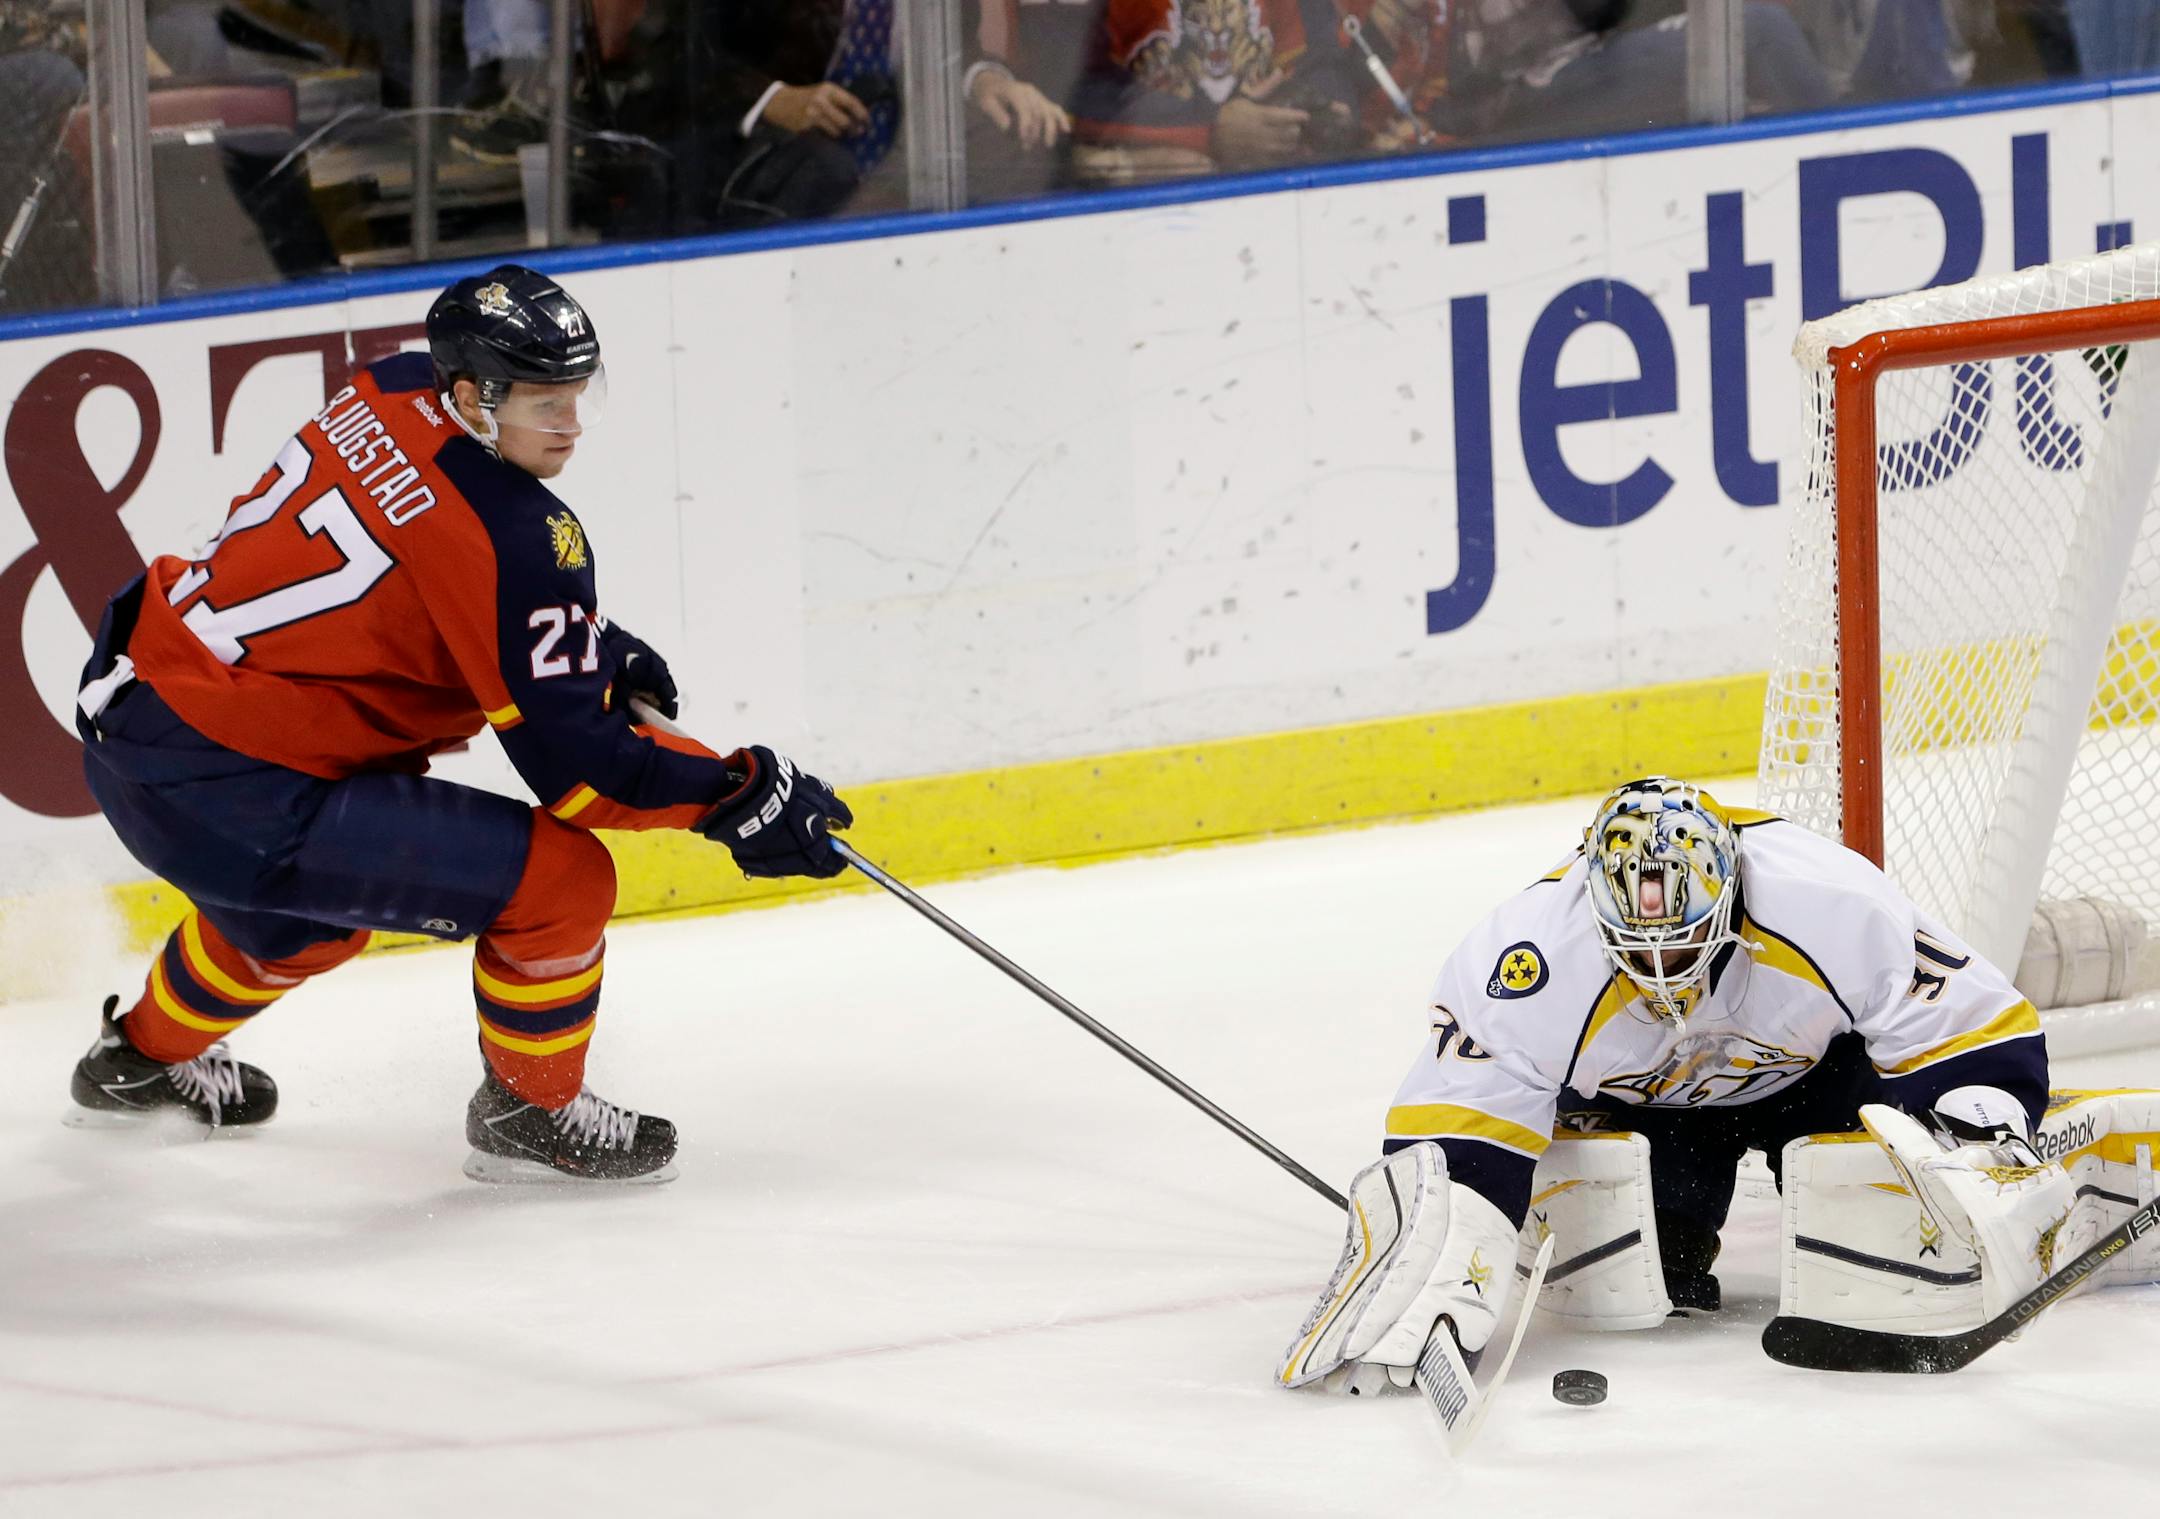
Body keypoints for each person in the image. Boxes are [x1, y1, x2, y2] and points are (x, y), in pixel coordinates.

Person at [67, 264, 854, 1184]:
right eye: (544, 402)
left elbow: (421, 570)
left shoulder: (391, 385)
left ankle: (133, 1063)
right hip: (237, 779)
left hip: (133, 710)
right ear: (475, 396)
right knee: (560, 882)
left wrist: (583, 644)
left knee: (302, 926)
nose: (570, 423)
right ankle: (531, 1109)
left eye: (579, 395)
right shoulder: (520, 533)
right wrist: (737, 795)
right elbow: (585, 778)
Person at [1279, 776, 2084, 1389]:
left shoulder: (1830, 903)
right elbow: (1463, 1124)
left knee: (1887, 1248)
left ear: (1731, 894)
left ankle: (2050, 1155)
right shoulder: (1530, 957)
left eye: (1684, 940)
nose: (1663, 968)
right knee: (1619, 1280)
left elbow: (1976, 1027)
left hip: (1814, 1082)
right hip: (1648, 1112)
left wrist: (1988, 1129)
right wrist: (1439, 1234)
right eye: (1638, 946)